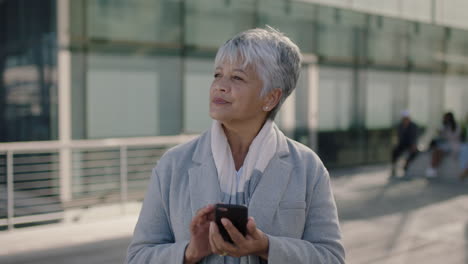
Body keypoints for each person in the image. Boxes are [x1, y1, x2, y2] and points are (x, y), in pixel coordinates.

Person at [126, 27, 345, 264]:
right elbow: (138, 257)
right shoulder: (173, 164)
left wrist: (267, 247)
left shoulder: (307, 167)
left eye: (237, 77)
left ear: (271, 97)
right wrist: (189, 252)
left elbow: (331, 258)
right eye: (217, 75)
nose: (220, 86)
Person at [426, 112, 461, 178]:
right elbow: (441, 136)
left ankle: (433, 168)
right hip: (444, 144)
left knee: (440, 151)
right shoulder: (444, 125)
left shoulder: (456, 126)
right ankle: (432, 167)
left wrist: (445, 133)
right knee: (436, 151)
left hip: (452, 145)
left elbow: (454, 136)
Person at [391, 110, 419, 175]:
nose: (405, 120)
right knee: (395, 151)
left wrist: (413, 145)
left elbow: (415, 136)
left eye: (406, 118)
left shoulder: (413, 126)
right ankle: (394, 167)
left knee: (413, 153)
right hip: (402, 144)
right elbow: (399, 137)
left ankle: (406, 166)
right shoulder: (400, 126)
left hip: (411, 144)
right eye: (404, 118)